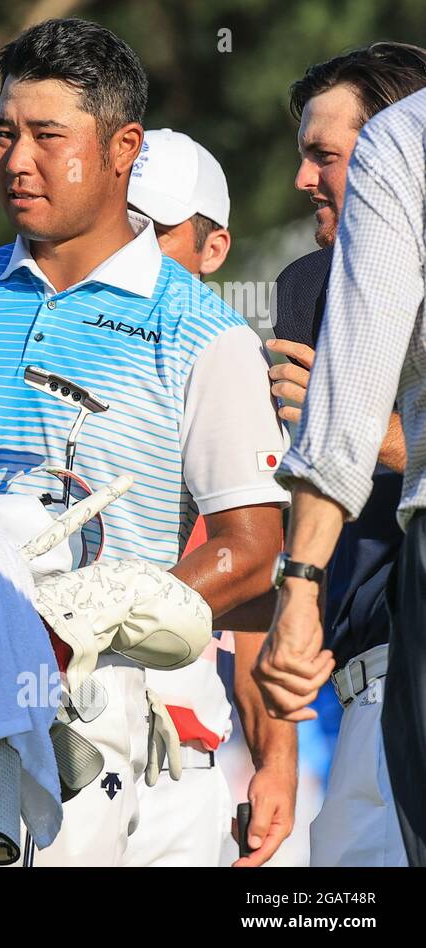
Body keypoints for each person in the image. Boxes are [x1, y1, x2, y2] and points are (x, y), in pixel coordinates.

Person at [0, 18, 289, 865]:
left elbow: (252, 553)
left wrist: (96, 622)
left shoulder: (204, 332)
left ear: (122, 149)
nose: (16, 160)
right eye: (3, 133)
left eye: (46, 136)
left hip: (110, 743)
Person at [121, 128, 297, 867]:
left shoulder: (227, 370)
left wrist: (277, 753)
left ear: (214, 249)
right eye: (118, 223)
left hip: (168, 774)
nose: (127, 247)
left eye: (154, 232)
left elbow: (253, 597)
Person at [264, 82, 426, 870]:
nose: (304, 179)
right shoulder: (306, 285)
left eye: (325, 156)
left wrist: (368, 432)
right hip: (360, 697)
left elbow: (354, 434)